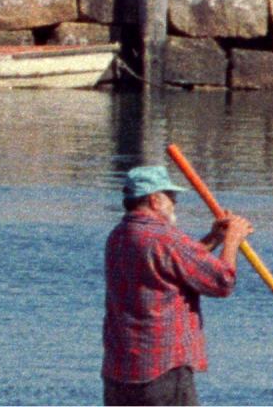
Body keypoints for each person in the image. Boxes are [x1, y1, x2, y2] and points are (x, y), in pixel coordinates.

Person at [102, 165, 253, 406]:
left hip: (121, 371)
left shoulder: (119, 235)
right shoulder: (165, 237)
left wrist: (213, 239)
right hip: (162, 369)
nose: (175, 203)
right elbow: (221, 282)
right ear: (154, 200)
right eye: (171, 197)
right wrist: (233, 240)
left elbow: (175, 264)